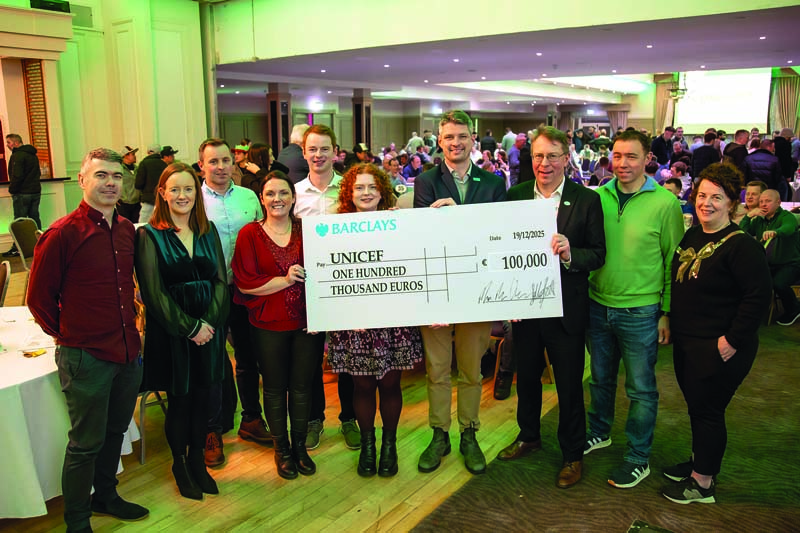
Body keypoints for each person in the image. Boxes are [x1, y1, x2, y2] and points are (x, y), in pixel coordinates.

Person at [27, 148, 148, 532]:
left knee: (115, 431)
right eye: (101, 175)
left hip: (127, 351)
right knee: (85, 443)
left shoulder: (128, 230)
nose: (111, 182)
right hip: (86, 356)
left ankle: (106, 496)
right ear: (82, 180)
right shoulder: (63, 233)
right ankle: (77, 521)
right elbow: (38, 299)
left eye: (116, 176)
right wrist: (68, 335)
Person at [498, 127, 605, 488]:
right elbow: (499, 250)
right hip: (525, 310)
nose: (545, 163)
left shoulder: (586, 200)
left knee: (569, 386)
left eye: (553, 155)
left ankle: (573, 454)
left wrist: (572, 252)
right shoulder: (513, 197)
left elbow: (599, 254)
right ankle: (529, 436)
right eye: (539, 156)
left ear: (566, 156)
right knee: (526, 379)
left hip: (566, 312)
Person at [662, 163, 771, 504]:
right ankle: (700, 462)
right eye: (702, 195)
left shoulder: (741, 246)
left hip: (719, 346)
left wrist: (732, 342)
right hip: (689, 342)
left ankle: (703, 484)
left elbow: (758, 298)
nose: (706, 203)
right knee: (698, 407)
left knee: (708, 410)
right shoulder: (694, 234)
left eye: (716, 198)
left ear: (732, 204)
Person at [585, 130, 684, 489]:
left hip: (641, 311)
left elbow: (674, 261)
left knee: (641, 390)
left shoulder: (664, 203)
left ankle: (638, 457)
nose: (622, 163)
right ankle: (599, 432)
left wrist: (667, 312)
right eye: (617, 155)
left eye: (631, 157)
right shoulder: (598, 196)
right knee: (599, 380)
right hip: (598, 305)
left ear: (647, 160)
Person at [413, 110, 506, 475]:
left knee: (471, 369)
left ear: (473, 139)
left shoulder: (493, 182)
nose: (455, 143)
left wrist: (459, 213)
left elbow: (496, 233)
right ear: (439, 140)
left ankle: (469, 432)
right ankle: (439, 433)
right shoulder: (426, 181)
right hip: (437, 288)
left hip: (477, 289)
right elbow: (424, 234)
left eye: (462, 136)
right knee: (436, 370)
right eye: (449, 137)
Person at [135, 163, 229, 500]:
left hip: (210, 328)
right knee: (180, 401)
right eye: (174, 189)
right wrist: (190, 328)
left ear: (197, 192)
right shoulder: (149, 235)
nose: (182, 195)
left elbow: (220, 281)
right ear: (162, 193)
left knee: (204, 398)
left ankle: (197, 464)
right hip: (174, 331)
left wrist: (210, 325)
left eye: (188, 188)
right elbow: (153, 293)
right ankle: (178, 464)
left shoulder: (209, 230)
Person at [327, 163, 424, 477]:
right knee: (363, 384)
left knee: (391, 384)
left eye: (371, 187)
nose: (365, 193)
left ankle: (389, 446)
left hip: (393, 320)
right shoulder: (334, 228)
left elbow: (413, 265)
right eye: (359, 188)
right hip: (354, 322)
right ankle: (368, 445)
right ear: (349, 193)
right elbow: (330, 276)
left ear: (381, 190)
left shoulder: (398, 223)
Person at [232, 171, 324, 480]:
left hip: (306, 324)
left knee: (301, 388)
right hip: (267, 324)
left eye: (283, 193)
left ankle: (299, 447)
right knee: (273, 389)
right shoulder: (249, 234)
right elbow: (245, 284)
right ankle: (281, 449)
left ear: (294, 197)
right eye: (270, 194)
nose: (277, 199)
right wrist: (284, 281)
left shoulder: (309, 230)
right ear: (262, 198)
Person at [199, 138, 267, 467]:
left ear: (234, 163)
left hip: (244, 289)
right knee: (213, 361)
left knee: (247, 357)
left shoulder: (249, 197)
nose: (221, 167)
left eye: (226, 160)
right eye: (213, 161)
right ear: (202, 166)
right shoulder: (192, 199)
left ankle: (251, 419)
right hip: (209, 291)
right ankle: (213, 428)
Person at [294, 124, 360, 451]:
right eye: (312, 149)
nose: (318, 155)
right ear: (303, 152)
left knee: (345, 357)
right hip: (308, 288)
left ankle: (349, 418)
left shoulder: (349, 189)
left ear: (336, 151)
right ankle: (314, 418)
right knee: (310, 358)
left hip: (345, 286)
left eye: (324, 149)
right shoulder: (293, 193)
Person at [740, 189, 800, 326]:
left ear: (778, 202)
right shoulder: (760, 220)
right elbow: (742, 232)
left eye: (768, 201)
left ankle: (794, 309)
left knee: (778, 283)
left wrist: (775, 232)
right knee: (749, 278)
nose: (763, 204)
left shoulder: (786, 216)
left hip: (791, 263)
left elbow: (789, 228)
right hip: (769, 264)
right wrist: (748, 217)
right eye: (761, 201)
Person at [4, 133, 41, 256]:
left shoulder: (18, 156)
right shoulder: (33, 155)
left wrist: (12, 190)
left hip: (22, 193)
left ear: (15, 143)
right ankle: (40, 244)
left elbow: (17, 176)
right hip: (35, 191)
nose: (7, 145)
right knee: (34, 219)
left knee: (19, 221)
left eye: (8, 142)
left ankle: (18, 247)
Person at [117, 146, 141, 223]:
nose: (135, 156)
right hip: (123, 203)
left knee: (136, 225)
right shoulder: (119, 169)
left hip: (137, 203)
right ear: (125, 156)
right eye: (133, 154)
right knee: (125, 226)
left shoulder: (137, 168)